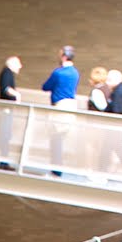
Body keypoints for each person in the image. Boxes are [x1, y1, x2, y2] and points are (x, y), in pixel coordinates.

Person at [40, 45, 79, 176]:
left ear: (64, 56)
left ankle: (56, 170)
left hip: (59, 106)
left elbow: (46, 86)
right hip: (71, 106)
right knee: (60, 138)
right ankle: (57, 168)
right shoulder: (75, 73)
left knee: (55, 138)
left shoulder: (59, 72)